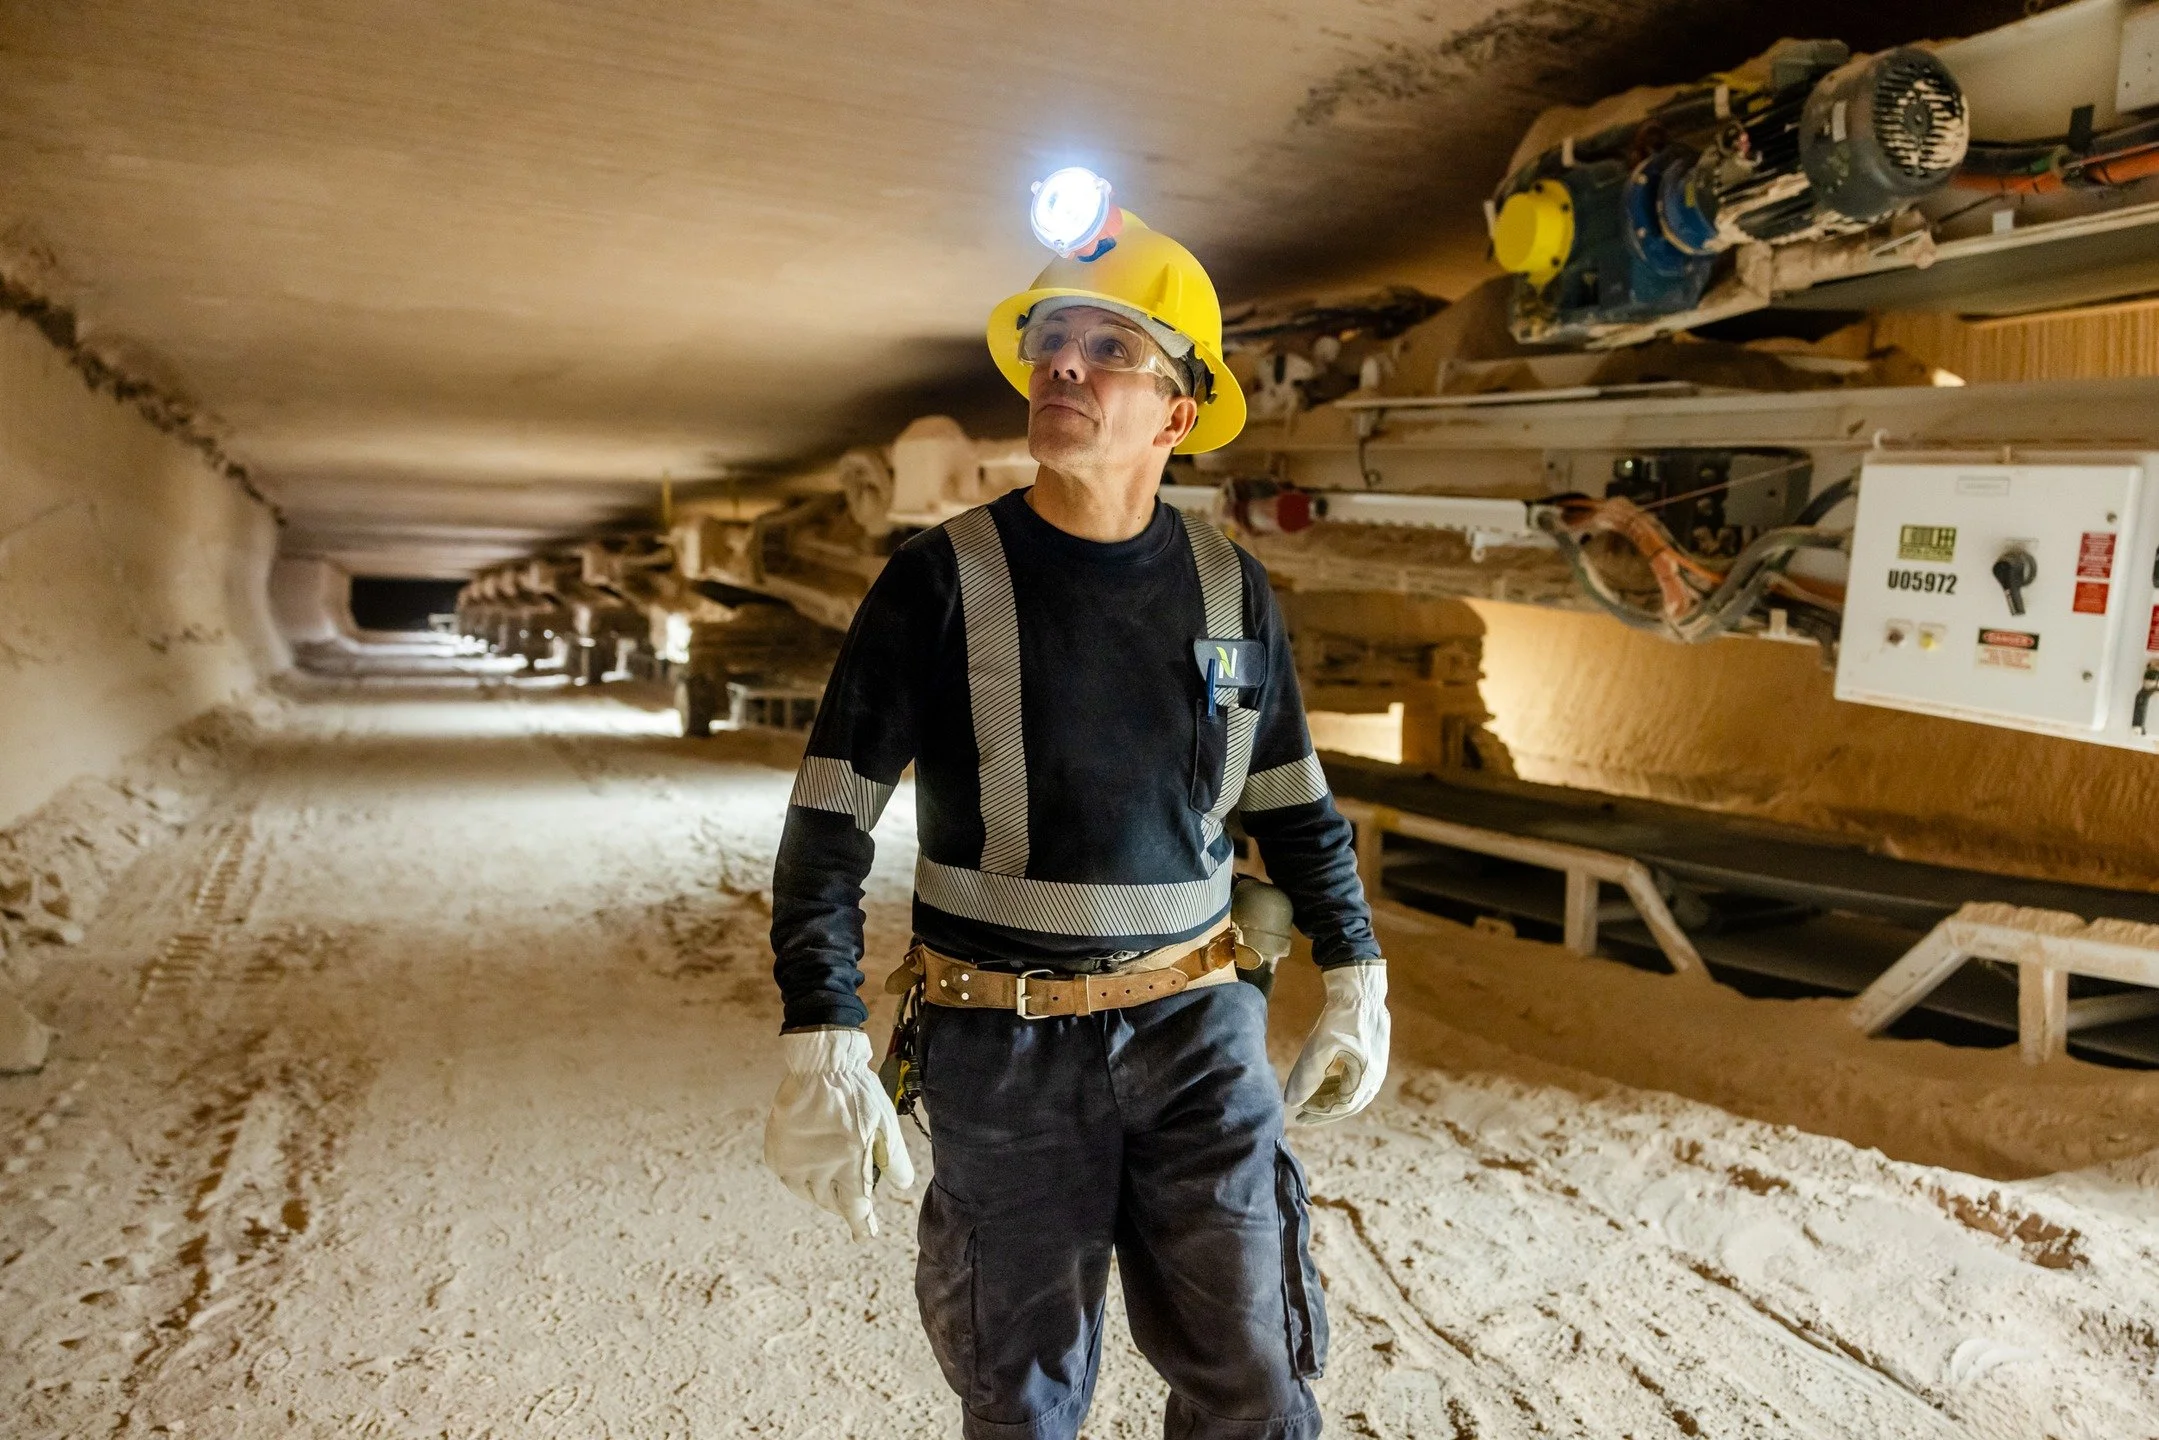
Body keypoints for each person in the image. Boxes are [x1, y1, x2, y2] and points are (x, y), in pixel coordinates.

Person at [763, 199, 1389, 1440]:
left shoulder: (1227, 585)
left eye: (1110, 348)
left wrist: (1356, 969)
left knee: (1254, 1376)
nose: (1063, 362)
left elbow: (1291, 802)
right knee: (1021, 1391)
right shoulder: (941, 578)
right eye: (1051, 338)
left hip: (1201, 1029)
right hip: (1005, 1048)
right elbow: (828, 825)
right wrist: (819, 1031)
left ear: (1177, 412)